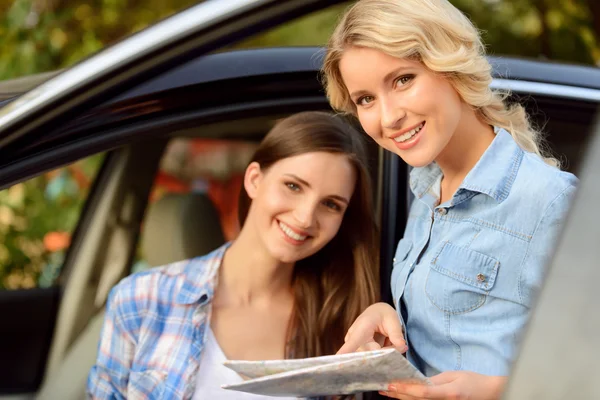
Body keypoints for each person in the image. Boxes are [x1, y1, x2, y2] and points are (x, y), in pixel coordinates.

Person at [321, 0, 578, 399]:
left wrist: (496, 390)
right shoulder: (426, 191)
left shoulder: (551, 202)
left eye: (403, 79)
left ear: (452, 68)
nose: (388, 117)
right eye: (366, 99)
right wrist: (388, 318)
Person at [87, 111, 379, 399]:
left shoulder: (342, 326)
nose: (305, 218)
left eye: (330, 204)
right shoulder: (141, 299)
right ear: (254, 180)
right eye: (293, 186)